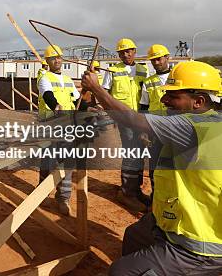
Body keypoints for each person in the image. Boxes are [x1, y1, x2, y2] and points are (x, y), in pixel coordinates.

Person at [81, 61, 222, 276]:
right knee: (135, 235)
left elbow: (132, 119)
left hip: (197, 244)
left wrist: (97, 89)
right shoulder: (208, 122)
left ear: (198, 101)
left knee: (120, 272)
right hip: (176, 217)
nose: (164, 99)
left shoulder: (192, 126)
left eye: (173, 96)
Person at [101, 38, 149, 211]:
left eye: (128, 51)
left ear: (134, 51)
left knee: (140, 152)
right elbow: (104, 93)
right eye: (122, 52)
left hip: (141, 118)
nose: (125, 54)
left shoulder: (143, 70)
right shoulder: (112, 70)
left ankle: (135, 190)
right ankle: (127, 193)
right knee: (131, 152)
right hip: (124, 119)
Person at [37, 45, 83, 216]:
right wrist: (56, 106)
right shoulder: (44, 77)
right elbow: (48, 95)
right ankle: (41, 191)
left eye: (59, 57)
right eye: (53, 58)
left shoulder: (68, 79)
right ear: (48, 61)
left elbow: (77, 99)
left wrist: (89, 107)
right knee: (47, 160)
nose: (57, 60)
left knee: (67, 162)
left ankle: (63, 197)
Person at [140, 44, 171, 195]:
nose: (156, 63)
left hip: (174, 128)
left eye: (159, 59)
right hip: (155, 129)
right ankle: (155, 199)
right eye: (153, 60)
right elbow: (144, 107)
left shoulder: (176, 78)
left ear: (167, 57)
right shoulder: (148, 81)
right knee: (154, 166)